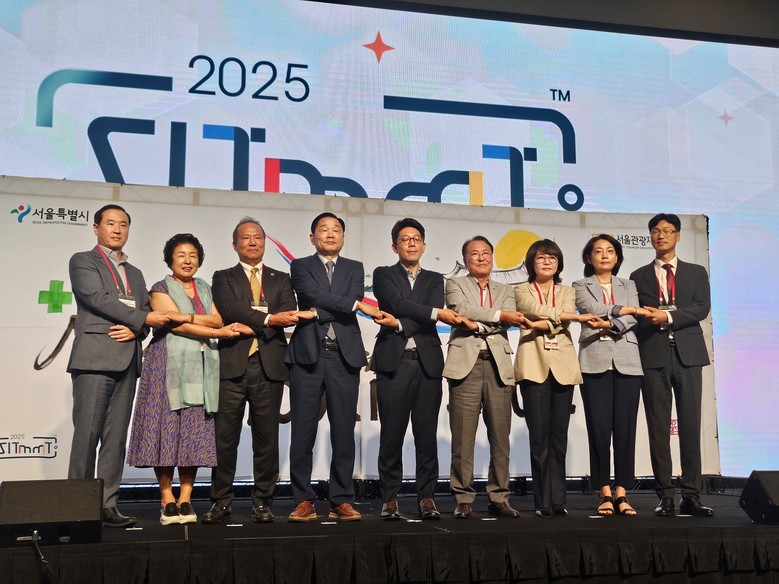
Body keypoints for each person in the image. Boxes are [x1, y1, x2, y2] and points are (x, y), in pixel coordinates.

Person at [127, 233, 242, 525]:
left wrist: (186, 317)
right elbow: (174, 326)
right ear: (170, 260)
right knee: (166, 429)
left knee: (193, 430)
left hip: (201, 366)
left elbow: (215, 318)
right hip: (165, 365)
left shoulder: (205, 287)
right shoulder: (160, 288)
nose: (187, 260)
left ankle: (186, 498)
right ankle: (167, 497)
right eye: (181, 255)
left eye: (193, 255)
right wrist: (214, 332)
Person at [67, 204, 170, 528]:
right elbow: (96, 298)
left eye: (123, 224)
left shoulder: (135, 273)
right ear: (96, 227)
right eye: (110, 223)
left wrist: (137, 330)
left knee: (115, 440)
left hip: (127, 360)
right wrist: (142, 320)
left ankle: (107, 505)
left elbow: (145, 313)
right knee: (87, 437)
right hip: (94, 359)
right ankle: (77, 506)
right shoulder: (83, 261)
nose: (117, 229)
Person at [203, 217, 304, 524]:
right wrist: (269, 319)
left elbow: (288, 312)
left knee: (266, 439)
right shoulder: (223, 277)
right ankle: (221, 500)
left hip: (269, 366)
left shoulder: (281, 278)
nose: (252, 242)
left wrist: (262, 320)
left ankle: (263, 501)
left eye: (257, 237)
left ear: (264, 242)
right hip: (232, 366)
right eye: (245, 238)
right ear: (235, 245)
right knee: (224, 439)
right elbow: (230, 308)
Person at [285, 212, 382, 522]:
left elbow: (343, 300)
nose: (330, 234)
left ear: (343, 237)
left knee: (343, 431)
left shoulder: (355, 267)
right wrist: (353, 306)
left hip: (344, 355)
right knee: (303, 431)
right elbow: (312, 295)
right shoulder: (300, 266)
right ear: (312, 237)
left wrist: (317, 312)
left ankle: (341, 499)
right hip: (308, 355)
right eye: (323, 230)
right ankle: (303, 499)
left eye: (336, 229)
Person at [371, 218, 462, 520]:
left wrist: (399, 322)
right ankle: (389, 499)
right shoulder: (383, 274)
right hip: (393, 363)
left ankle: (427, 498)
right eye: (404, 239)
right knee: (391, 435)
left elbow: (412, 312)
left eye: (416, 239)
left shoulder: (435, 279)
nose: (411, 243)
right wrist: (431, 313)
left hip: (427, 364)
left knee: (426, 436)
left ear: (424, 245)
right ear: (394, 246)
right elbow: (395, 302)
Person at [630, 213, 713, 518]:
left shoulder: (696, 272)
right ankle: (665, 495)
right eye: (655, 231)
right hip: (653, 356)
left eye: (667, 231)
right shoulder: (638, 276)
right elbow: (635, 314)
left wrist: (667, 315)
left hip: (688, 356)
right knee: (658, 428)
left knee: (690, 426)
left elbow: (702, 308)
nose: (660, 235)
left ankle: (691, 495)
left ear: (678, 235)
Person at [442, 235, 525, 519]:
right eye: (474, 253)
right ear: (465, 259)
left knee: (500, 438)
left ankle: (499, 497)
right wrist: (498, 317)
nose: (481, 257)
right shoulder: (454, 284)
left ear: (492, 257)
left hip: (498, 366)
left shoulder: (507, 289)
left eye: (486, 253)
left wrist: (476, 325)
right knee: (462, 438)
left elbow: (508, 318)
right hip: (465, 366)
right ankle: (463, 498)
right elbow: (462, 310)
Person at [514, 239, 594, 518]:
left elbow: (564, 320)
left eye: (552, 258)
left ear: (559, 263)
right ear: (531, 262)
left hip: (563, 366)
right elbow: (530, 308)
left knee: (559, 437)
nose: (547, 262)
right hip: (532, 364)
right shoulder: (520, 290)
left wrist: (545, 322)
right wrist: (564, 317)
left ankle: (558, 499)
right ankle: (542, 502)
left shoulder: (568, 291)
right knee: (539, 438)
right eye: (541, 258)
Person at [573, 234, 646, 517]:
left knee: (626, 430)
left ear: (617, 257)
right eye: (598, 251)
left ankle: (622, 492)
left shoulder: (629, 285)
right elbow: (591, 309)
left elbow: (633, 317)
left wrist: (610, 323)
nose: (604, 255)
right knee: (599, 429)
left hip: (628, 361)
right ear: (588, 258)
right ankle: (604, 491)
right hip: (593, 360)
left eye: (610, 251)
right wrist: (623, 311)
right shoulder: (580, 285)